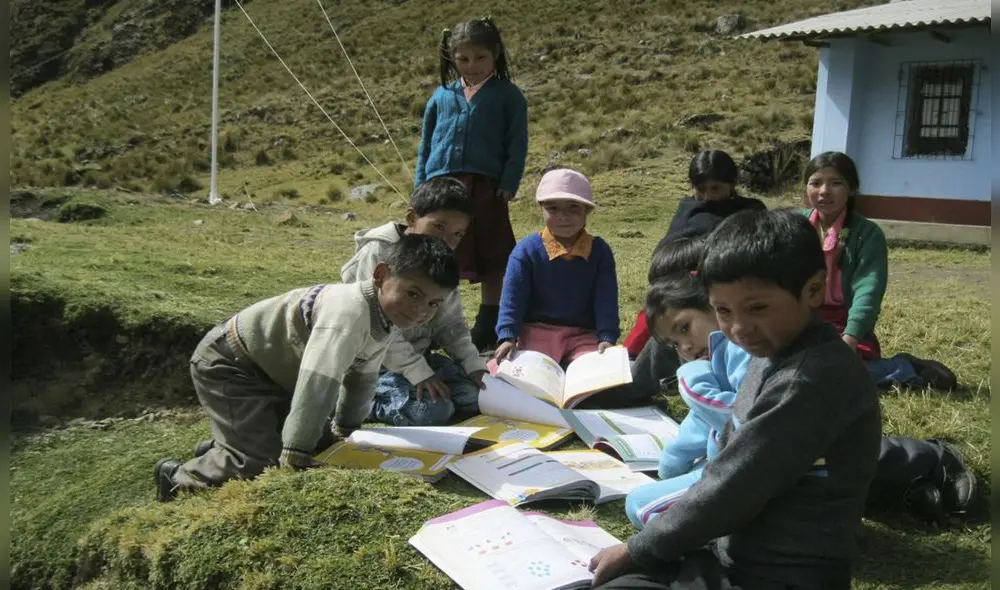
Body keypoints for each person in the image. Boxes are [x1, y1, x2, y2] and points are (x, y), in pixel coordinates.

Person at [589, 209, 882, 590]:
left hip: (778, 575)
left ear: (812, 290)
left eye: (757, 308)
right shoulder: (769, 353)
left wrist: (637, 549)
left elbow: (734, 486)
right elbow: (725, 454)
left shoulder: (807, 379)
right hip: (729, 554)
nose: (739, 328)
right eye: (723, 311)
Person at [624, 240, 975, 532]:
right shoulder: (715, 347)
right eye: (673, 342)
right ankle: (912, 489)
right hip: (781, 466)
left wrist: (692, 384)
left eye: (685, 328)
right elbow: (708, 426)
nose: (683, 348)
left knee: (842, 459)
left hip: (797, 464)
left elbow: (749, 424)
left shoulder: (749, 343)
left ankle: (932, 460)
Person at [153, 234, 459, 502]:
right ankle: (178, 478)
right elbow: (319, 383)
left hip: (273, 373)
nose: (421, 310)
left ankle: (227, 446)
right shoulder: (349, 312)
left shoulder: (385, 317)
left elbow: (362, 378)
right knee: (263, 462)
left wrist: (347, 431)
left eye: (433, 304)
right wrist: (295, 455)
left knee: (322, 445)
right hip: (230, 363)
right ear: (380, 274)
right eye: (413, 294)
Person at [415, 16, 529, 353]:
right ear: (452, 58)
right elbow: (426, 142)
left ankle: (487, 323)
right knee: (437, 252)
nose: (472, 65)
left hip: (486, 187)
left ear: (495, 54)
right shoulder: (442, 95)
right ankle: (431, 319)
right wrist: (421, 185)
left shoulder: (508, 96)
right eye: (463, 59)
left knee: (491, 254)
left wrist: (509, 181)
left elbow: (517, 143)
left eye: (480, 57)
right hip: (441, 185)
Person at [802, 151, 957, 390]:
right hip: (800, 322)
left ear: (852, 189)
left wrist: (850, 338)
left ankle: (905, 369)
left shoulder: (868, 234)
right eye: (816, 183)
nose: (824, 191)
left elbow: (868, 290)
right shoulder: (793, 226)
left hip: (844, 326)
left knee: (829, 374)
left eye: (836, 183)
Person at [340, 177, 487, 426]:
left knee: (475, 397)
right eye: (439, 226)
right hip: (372, 362)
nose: (447, 240)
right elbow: (375, 323)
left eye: (457, 234)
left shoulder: (442, 260)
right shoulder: (379, 252)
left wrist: (474, 366)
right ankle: (360, 401)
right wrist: (418, 372)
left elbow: (451, 324)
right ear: (411, 218)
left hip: (417, 356)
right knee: (432, 411)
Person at [493, 168, 619, 367]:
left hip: (584, 334)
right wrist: (508, 336)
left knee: (595, 371)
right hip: (537, 331)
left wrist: (607, 337)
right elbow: (512, 298)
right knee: (527, 372)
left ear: (587, 211)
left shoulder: (600, 252)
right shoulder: (526, 250)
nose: (563, 216)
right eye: (553, 208)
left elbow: (606, 299)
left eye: (573, 208)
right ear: (541, 209)